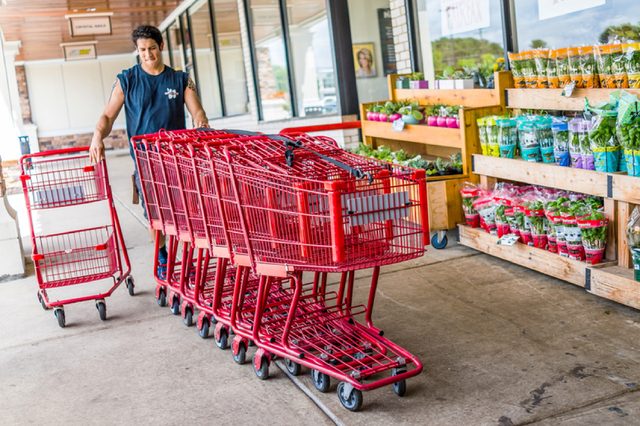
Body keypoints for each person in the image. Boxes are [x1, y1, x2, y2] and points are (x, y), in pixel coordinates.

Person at [89, 25, 209, 278]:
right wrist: (97, 136)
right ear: (137, 51)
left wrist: (201, 123)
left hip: (178, 160)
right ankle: (163, 256)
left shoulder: (180, 78)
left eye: (152, 48)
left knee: (183, 213)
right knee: (155, 214)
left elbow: (197, 110)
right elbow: (107, 115)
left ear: (161, 47)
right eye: (142, 50)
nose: (148, 54)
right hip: (145, 162)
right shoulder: (127, 80)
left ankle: (186, 258)